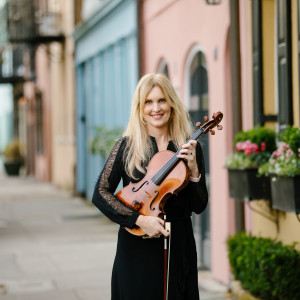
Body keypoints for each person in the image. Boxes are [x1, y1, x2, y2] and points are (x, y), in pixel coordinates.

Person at [92, 73, 208, 300]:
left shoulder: (187, 147)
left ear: (172, 104)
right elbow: (100, 193)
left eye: (162, 100)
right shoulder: (127, 146)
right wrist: (139, 220)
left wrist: (194, 171)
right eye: (149, 101)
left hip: (177, 245)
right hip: (136, 246)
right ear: (140, 107)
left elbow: (199, 205)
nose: (156, 108)